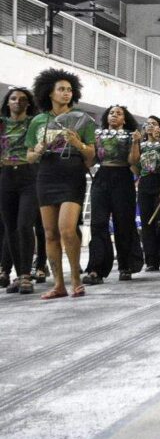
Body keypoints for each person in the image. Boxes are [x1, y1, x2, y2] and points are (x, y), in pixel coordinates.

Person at [25, 68, 97, 299]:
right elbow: (28, 156)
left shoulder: (83, 119)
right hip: (46, 176)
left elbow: (92, 157)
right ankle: (58, 285)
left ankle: (76, 280)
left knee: (67, 229)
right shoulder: (38, 120)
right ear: (49, 93)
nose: (66, 93)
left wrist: (78, 144)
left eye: (69, 90)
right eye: (61, 89)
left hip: (72, 175)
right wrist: (36, 150)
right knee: (49, 233)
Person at [84, 105, 143, 284]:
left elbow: (133, 161)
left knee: (123, 223)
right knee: (98, 223)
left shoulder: (130, 135)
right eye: (111, 113)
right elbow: (91, 160)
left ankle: (125, 266)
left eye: (119, 113)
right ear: (106, 117)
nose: (114, 115)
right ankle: (96, 269)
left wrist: (135, 142)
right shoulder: (97, 135)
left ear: (124, 119)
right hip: (102, 177)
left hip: (123, 177)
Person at [1, 87, 40, 295]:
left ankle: (26, 275)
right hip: (5, 176)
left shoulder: (34, 123)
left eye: (22, 99)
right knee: (10, 228)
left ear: (28, 103)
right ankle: (18, 274)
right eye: (13, 99)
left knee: (24, 225)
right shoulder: (1, 124)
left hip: (29, 175)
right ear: (7, 102)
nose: (17, 102)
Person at [131, 116, 160, 271]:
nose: (150, 126)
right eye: (147, 124)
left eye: (154, 124)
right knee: (147, 223)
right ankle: (151, 260)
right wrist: (135, 142)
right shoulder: (140, 145)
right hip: (145, 183)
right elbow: (134, 164)